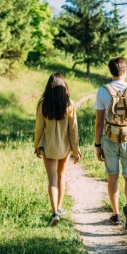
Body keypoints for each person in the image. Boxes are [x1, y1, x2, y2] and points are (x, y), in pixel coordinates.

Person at [94, 57, 127, 233]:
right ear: (124, 71)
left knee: (112, 176)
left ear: (111, 72)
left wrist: (97, 144)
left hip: (110, 139)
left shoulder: (102, 91)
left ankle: (116, 214)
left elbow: (99, 122)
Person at [34, 72, 82, 227]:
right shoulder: (69, 104)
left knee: (52, 179)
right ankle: (59, 208)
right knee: (61, 175)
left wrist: (37, 145)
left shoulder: (43, 104)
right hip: (65, 147)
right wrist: (75, 149)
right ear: (64, 87)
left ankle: (54, 211)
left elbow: (39, 128)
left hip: (48, 146)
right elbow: (73, 130)